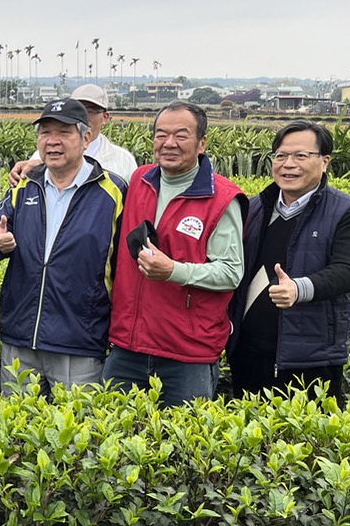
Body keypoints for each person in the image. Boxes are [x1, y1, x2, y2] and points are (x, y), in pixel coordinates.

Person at [102, 101, 246, 406]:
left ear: (202, 143)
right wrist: (34, 165)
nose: (168, 143)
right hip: (128, 346)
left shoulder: (221, 197)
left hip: (187, 353)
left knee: (182, 447)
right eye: (160, 135)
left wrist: (174, 271)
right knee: (112, 439)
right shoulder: (139, 181)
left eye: (181, 135)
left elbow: (231, 271)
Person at [0, 99, 126, 394]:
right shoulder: (24, 186)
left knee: (78, 435)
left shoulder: (113, 191)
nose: (53, 141)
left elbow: (126, 267)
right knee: (15, 434)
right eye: (45, 133)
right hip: (20, 337)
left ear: (86, 138)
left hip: (79, 340)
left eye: (64, 132)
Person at [228, 120, 350, 401]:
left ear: (325, 161)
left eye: (301, 156)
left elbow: (347, 271)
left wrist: (298, 289)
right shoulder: (254, 206)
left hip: (310, 360)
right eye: (281, 156)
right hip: (248, 353)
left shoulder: (349, 212)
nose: (288, 164)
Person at [9, 83, 138, 185]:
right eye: (77, 109)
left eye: (90, 111)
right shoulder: (41, 156)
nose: (83, 117)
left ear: (105, 117)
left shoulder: (123, 160)